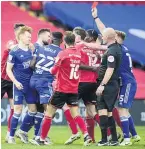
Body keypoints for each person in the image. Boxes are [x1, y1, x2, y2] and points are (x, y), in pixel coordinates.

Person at [92, 7, 141, 146]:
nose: (104, 35)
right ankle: (134, 135)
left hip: (126, 82)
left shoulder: (116, 49)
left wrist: (83, 44)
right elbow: (105, 31)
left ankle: (126, 138)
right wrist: (96, 18)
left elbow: (105, 34)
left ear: (117, 39)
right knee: (121, 109)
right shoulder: (120, 48)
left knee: (121, 110)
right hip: (124, 81)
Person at [38, 31, 92, 146]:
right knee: (76, 114)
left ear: (65, 42)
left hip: (61, 89)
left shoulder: (62, 54)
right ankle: (86, 135)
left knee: (48, 113)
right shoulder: (78, 53)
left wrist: (50, 68)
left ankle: (42, 139)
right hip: (73, 89)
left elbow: (53, 71)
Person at [6, 26, 37, 144]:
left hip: (30, 86)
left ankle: (22, 131)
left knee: (33, 110)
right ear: (21, 36)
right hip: (19, 85)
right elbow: (9, 70)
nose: (30, 38)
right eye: (28, 36)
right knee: (18, 110)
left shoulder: (31, 49)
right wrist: (15, 82)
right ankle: (11, 136)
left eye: (30, 36)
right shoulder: (14, 51)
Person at [1, 23, 25, 142]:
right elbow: (12, 48)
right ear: (16, 32)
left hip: (13, 82)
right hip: (3, 79)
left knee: (14, 108)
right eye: (21, 31)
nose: (23, 33)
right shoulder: (12, 43)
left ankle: (9, 134)